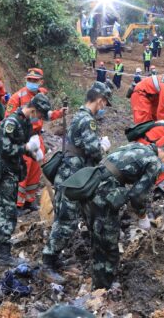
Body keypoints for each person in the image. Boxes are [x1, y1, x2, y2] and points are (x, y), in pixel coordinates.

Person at [85, 140, 164, 289]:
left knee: (97, 237)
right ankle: (104, 286)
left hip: (90, 185)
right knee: (110, 242)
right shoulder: (154, 162)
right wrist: (142, 216)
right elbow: (137, 196)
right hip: (103, 195)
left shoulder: (139, 147)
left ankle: (98, 280)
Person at [41, 82, 112, 281]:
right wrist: (103, 147)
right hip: (72, 176)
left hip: (72, 174)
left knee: (66, 217)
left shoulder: (79, 116)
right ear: (100, 100)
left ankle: (54, 259)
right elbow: (93, 151)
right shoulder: (87, 120)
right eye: (105, 102)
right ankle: (47, 263)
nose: (104, 107)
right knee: (66, 221)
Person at [0, 94, 52, 266]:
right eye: (39, 115)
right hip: (4, 172)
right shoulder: (12, 122)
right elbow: (5, 149)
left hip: (12, 170)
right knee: (7, 212)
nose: (39, 119)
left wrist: (32, 152)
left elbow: (22, 144)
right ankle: (4, 255)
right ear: (33, 109)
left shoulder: (25, 122)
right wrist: (25, 147)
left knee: (2, 210)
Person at [5, 68, 66, 212]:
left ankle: (29, 200)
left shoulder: (41, 96)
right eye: (29, 80)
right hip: (23, 138)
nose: (32, 82)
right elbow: (8, 119)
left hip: (37, 136)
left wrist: (59, 113)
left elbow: (46, 115)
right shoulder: (17, 97)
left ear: (40, 82)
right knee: (23, 170)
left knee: (36, 169)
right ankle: (18, 205)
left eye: (35, 81)